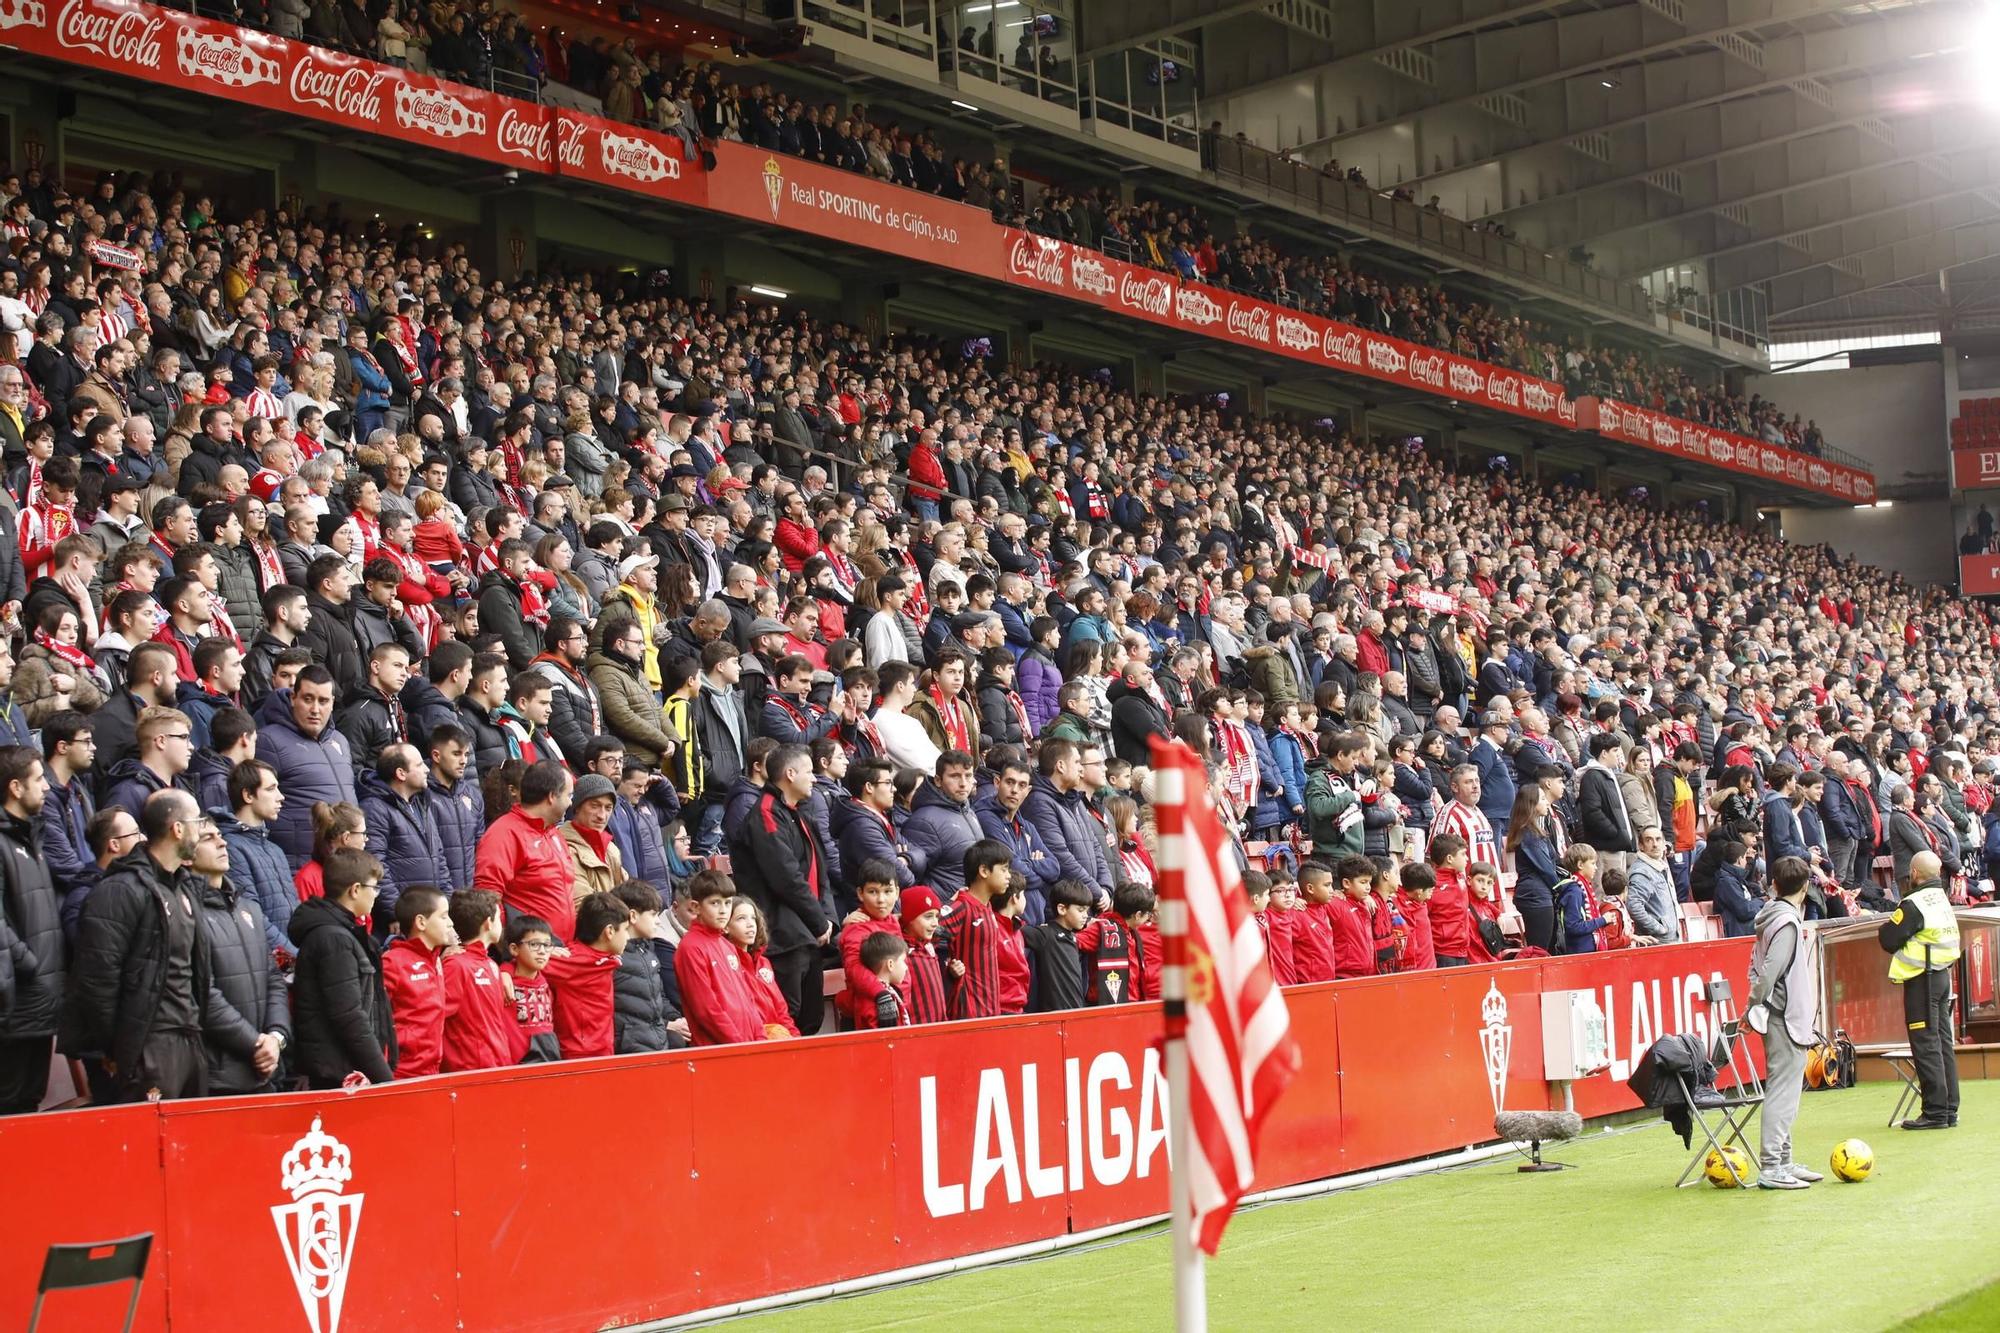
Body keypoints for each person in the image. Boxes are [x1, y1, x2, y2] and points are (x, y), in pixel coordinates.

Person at [66, 789, 227, 1101]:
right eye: (197, 822)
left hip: (191, 1037)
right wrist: (119, 1050)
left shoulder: (185, 889)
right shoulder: (119, 890)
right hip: (147, 1047)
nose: (202, 831)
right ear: (177, 829)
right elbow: (97, 979)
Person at [728, 741, 833, 1035]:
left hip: (807, 933)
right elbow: (784, 875)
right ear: (789, 773)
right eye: (809, 771)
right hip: (783, 936)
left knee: (811, 1017)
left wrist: (827, 920)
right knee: (787, 1017)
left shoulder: (797, 814)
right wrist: (818, 920)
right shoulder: (764, 813)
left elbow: (819, 871)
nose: (815, 778)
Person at [190, 806, 289, 1094]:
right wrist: (255, 1043)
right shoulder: (185, 911)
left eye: (220, 835)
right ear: (186, 853)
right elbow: (201, 993)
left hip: (266, 1069)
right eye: (207, 838)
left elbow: (273, 979)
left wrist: (276, 1037)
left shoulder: (247, 908)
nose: (222, 842)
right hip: (218, 1076)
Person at [288, 847, 395, 1088]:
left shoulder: (345, 933)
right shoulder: (333, 939)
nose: (376, 895)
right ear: (355, 890)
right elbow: (348, 1015)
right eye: (374, 888)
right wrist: (383, 1078)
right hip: (338, 1075)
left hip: (348, 1069)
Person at [1747, 856, 1821, 1187]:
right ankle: (1772, 1165)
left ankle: (1784, 1161)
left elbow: (1762, 970)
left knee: (1786, 1091)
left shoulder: (1772, 917)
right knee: (1782, 1092)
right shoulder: (1787, 923)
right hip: (1784, 1016)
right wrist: (1754, 1004)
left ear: (1773, 884)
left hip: (1778, 1013)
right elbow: (1771, 971)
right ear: (1805, 888)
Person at [0, 744, 63, 1111]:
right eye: (39, 779)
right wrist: (31, 964)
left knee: (29, 1108)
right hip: (16, 1006)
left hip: (39, 1005)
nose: (47, 787)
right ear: (15, 787)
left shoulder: (30, 837)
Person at [1879, 849, 1961, 1130]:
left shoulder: (1914, 903)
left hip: (1921, 980)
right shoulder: (1941, 898)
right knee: (1941, 1042)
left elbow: (1889, 939)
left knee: (1925, 1044)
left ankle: (1935, 1112)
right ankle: (1949, 1109)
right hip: (1940, 976)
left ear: (1914, 873)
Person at [473, 759, 578, 942]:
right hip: (530, 956)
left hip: (560, 950)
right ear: (552, 796)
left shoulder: (553, 833)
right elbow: (488, 895)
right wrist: (513, 945)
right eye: (569, 795)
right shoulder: (504, 834)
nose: (571, 803)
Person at [673, 867, 765, 1046]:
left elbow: (748, 999)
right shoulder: (690, 948)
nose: (723, 910)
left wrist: (760, 1037)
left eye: (728, 903)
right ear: (695, 907)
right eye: (715, 903)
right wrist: (738, 1044)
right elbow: (706, 1009)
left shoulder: (727, 946)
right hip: (719, 1051)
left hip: (748, 1046)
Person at [542, 889, 629, 1061]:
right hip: (578, 1057)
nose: (628, 937)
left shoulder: (605, 959)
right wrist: (542, 952)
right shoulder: (572, 960)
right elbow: (526, 964)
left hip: (603, 1053)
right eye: (625, 929)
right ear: (609, 931)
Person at [381, 885, 455, 1079]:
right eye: (444, 916)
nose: (450, 923)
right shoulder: (392, 961)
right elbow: (376, 1020)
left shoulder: (436, 961)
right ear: (421, 922)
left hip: (431, 1071)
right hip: (401, 1074)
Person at [441, 889, 515, 1072]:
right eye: (499, 919)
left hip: (499, 1065)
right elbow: (436, 1017)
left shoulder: (491, 965)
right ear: (488, 923)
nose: (502, 924)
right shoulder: (455, 965)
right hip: (469, 1073)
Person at [612, 879, 688, 1052]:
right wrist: (668, 1025)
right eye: (653, 914)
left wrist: (677, 1020)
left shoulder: (648, 951)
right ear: (633, 916)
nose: (659, 921)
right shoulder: (613, 958)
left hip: (656, 1039)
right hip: (630, 1046)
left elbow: (660, 998)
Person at [940, 838, 1012, 1018]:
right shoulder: (961, 906)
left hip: (990, 1007)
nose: (1009, 875)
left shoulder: (987, 908)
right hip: (968, 1010)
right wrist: (949, 965)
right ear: (984, 871)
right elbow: (926, 935)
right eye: (1003, 869)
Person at [836, 859, 903, 1030]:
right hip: (867, 1015)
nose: (881, 900)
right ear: (860, 893)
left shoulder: (893, 922)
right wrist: (880, 993)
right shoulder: (856, 928)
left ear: (897, 892)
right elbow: (854, 968)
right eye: (873, 892)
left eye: (888, 891)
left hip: (897, 1006)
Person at [1023, 876, 1089, 1012]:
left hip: (1076, 1012)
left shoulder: (1073, 938)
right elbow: (1014, 931)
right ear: (1062, 909)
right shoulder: (1045, 934)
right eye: (1081, 910)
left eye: (1087, 911)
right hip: (1053, 1017)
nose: (1085, 915)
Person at [502, 913, 561, 1063]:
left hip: (546, 1064)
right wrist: (504, 971)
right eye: (534, 944)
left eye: (547, 945)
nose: (542, 951)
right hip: (515, 1068)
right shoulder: (504, 984)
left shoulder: (545, 984)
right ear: (514, 949)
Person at [899, 884, 951, 1024]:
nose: (935, 923)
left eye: (936, 917)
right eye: (928, 917)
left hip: (938, 1028)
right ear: (909, 918)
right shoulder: (902, 953)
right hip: (917, 1033)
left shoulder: (929, 946)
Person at [853, 931, 911, 1028]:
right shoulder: (876, 1001)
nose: (906, 967)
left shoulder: (889, 991)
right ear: (890, 965)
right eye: (903, 961)